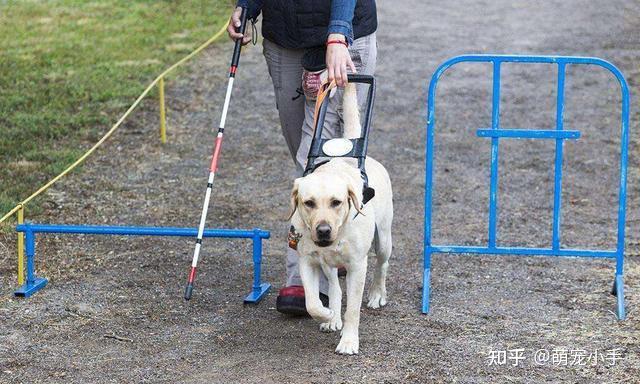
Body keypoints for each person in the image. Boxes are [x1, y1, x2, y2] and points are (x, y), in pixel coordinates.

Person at [227, 0, 377, 315]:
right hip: (285, 38)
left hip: (341, 38)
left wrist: (338, 35)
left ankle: (305, 276)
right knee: (302, 150)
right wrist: (247, 6)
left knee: (313, 159)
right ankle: (333, 247)